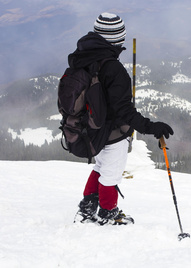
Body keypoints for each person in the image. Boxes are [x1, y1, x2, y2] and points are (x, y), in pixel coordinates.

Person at [70, 12, 174, 225]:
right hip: (112, 133)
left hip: (90, 128)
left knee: (100, 167)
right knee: (111, 173)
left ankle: (87, 207)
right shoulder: (113, 69)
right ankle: (109, 214)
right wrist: (152, 127)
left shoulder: (82, 58)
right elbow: (123, 111)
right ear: (117, 39)